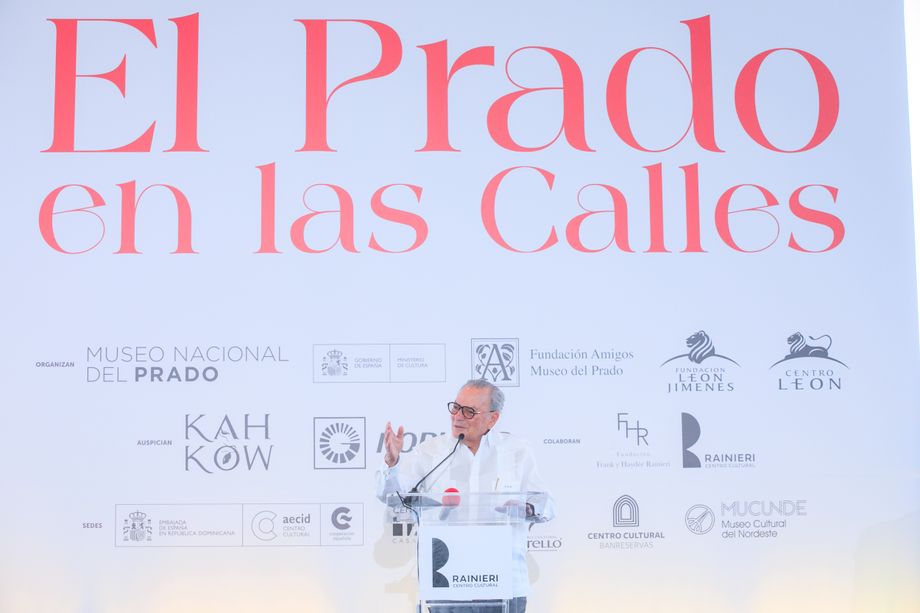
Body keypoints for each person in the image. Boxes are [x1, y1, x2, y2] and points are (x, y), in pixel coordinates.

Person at [376, 379, 555, 613]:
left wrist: (528, 508)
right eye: (455, 407)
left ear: (492, 418)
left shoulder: (516, 451)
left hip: (504, 585)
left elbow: (547, 505)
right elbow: (390, 495)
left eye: (469, 411)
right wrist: (392, 463)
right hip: (445, 585)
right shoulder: (430, 452)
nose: (457, 416)